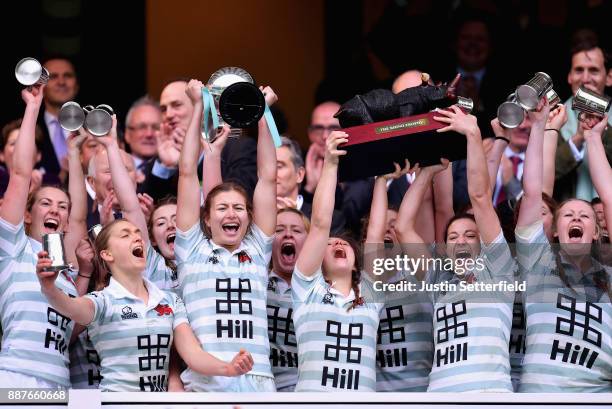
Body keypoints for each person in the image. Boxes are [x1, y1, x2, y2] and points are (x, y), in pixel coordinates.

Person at [36, 219, 254, 392]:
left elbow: (192, 353)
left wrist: (228, 368)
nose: (137, 238)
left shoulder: (169, 300)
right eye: (126, 234)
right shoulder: (103, 300)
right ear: (107, 254)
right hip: (117, 402)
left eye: (138, 234)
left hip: (159, 404)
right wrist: (49, 288)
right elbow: (70, 306)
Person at [396, 106, 516, 392]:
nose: (460, 241)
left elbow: (479, 197)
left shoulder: (497, 270)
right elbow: (402, 228)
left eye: (470, 235)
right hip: (439, 393)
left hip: (489, 393)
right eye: (452, 236)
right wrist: (426, 173)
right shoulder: (439, 279)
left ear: (483, 244)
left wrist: (473, 133)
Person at [175, 80, 278, 392]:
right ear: (206, 217)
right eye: (221, 208)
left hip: (259, 384)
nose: (231, 214)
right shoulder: (191, 247)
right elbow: (186, 173)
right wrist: (196, 108)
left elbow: (269, 177)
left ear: (249, 216)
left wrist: (262, 116)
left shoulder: (258, 248)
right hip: (208, 385)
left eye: (238, 208)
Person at [516, 102, 612, 392]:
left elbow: (609, 198)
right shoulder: (537, 266)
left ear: (596, 232)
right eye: (567, 215)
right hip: (539, 399)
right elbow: (533, 194)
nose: (576, 217)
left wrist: (594, 137)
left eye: (585, 215)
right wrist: (539, 127)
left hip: (597, 398)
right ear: (554, 232)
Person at [0, 85, 81, 388]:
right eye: (45, 203)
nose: (55, 211)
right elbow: (20, 175)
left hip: (60, 384)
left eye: (62, 207)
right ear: (28, 214)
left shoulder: (68, 272)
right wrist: (33, 107)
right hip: (16, 379)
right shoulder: (13, 248)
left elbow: (72, 332)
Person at [292, 130, 383, 392]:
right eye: (329, 245)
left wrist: (381, 177)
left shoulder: (371, 293)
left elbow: (375, 234)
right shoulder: (307, 288)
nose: (337, 243)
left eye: (344, 243)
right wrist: (331, 163)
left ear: (357, 264)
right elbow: (321, 224)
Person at [364, 161, 433, 392]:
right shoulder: (365, 283)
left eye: (393, 225)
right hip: (381, 398)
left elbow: (427, 212)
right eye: (381, 225)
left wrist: (427, 171)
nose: (386, 230)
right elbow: (374, 231)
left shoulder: (422, 274)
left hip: (426, 394)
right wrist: (381, 180)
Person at [139, 79, 258, 201]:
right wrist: (166, 166)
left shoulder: (239, 150)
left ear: (201, 109)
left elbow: (239, 200)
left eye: (177, 105)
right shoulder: (159, 161)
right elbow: (145, 212)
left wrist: (192, 161)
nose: (168, 115)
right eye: (163, 109)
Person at [555, 41, 612, 201]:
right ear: (570, 77)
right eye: (579, 70)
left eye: (593, 70)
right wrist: (578, 138)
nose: (585, 78)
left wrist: (602, 128)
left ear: (609, 78)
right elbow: (540, 175)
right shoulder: (552, 118)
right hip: (569, 218)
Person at [267, 208, 309, 392]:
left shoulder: (325, 290)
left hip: (311, 393)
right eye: (279, 230)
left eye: (297, 230)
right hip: (265, 392)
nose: (288, 235)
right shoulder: (255, 285)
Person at [276, 136, 345, 233]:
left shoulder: (331, 219)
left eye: (278, 166)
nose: (270, 172)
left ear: (299, 174)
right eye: (265, 167)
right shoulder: (251, 217)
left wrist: (294, 218)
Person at [38, 58, 79, 184]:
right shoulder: (27, 127)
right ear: (40, 85)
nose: (61, 82)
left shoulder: (92, 126)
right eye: (53, 77)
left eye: (68, 76)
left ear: (77, 85)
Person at [123, 96, 162, 182]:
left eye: (156, 127)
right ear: (127, 134)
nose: (149, 134)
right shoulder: (115, 170)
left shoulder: (176, 171)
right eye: (142, 127)